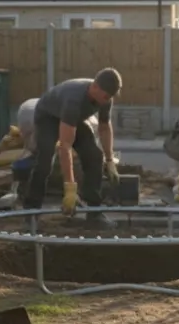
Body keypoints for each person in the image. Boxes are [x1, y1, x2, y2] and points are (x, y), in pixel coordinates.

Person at [23, 68, 122, 220]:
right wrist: (70, 189)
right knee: (45, 160)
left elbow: (104, 127)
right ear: (95, 87)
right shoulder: (74, 99)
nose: (107, 100)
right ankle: (31, 210)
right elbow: (65, 146)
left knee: (95, 156)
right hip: (48, 117)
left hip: (73, 119)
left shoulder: (105, 98)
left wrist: (109, 160)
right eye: (105, 96)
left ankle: (94, 210)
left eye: (110, 97)